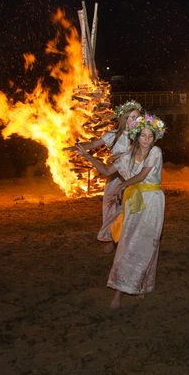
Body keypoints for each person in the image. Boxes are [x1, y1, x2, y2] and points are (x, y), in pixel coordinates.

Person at [78, 114, 166, 309]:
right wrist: (89, 157)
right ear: (136, 136)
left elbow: (142, 175)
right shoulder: (126, 158)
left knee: (148, 243)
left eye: (150, 136)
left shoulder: (155, 152)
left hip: (153, 202)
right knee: (128, 243)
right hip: (133, 202)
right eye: (143, 136)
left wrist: (121, 185)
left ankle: (141, 284)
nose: (146, 140)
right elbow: (105, 172)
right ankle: (119, 291)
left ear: (154, 138)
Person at [71, 100, 143, 253]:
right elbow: (92, 145)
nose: (135, 120)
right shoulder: (113, 135)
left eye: (137, 117)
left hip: (133, 176)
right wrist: (74, 147)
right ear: (124, 118)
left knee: (130, 209)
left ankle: (125, 241)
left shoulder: (140, 135)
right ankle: (112, 238)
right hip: (115, 176)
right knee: (112, 209)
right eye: (131, 117)